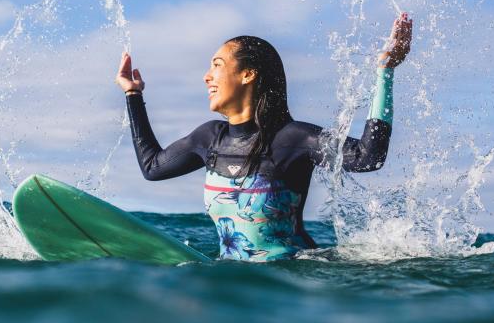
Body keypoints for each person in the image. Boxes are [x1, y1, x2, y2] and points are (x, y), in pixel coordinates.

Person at [116, 14, 412, 261]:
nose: (207, 76)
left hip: (292, 283)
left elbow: (368, 157)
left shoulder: (293, 138)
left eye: (217, 65)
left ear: (248, 75)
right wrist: (133, 93)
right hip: (235, 287)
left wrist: (385, 72)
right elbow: (152, 167)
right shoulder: (208, 139)